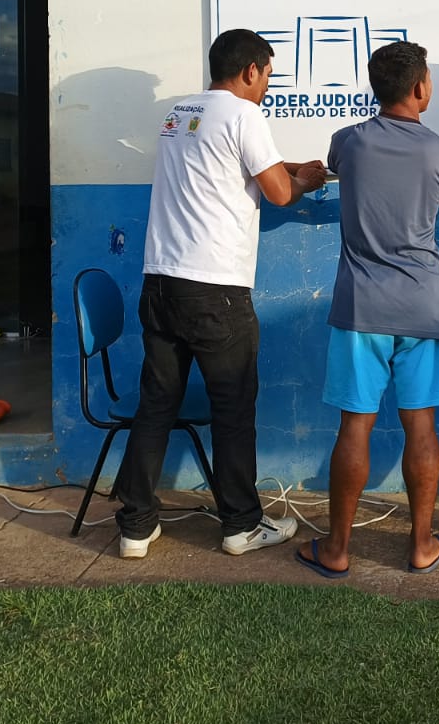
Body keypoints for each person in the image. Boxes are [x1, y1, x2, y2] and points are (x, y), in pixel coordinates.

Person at [115, 28, 327, 559]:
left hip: (161, 282)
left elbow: (225, 171)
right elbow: (278, 192)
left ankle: (135, 527)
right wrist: (307, 182)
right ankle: (240, 526)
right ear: (250, 70)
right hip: (215, 291)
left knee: (156, 404)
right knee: (232, 409)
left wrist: (288, 168)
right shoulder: (244, 114)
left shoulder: (178, 116)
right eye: (268, 77)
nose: (268, 88)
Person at [294, 41, 439, 578]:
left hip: (360, 308)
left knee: (354, 428)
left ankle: (338, 550)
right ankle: (420, 546)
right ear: (419, 89)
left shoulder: (348, 142)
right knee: (421, 428)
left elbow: (338, 169)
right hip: (423, 306)